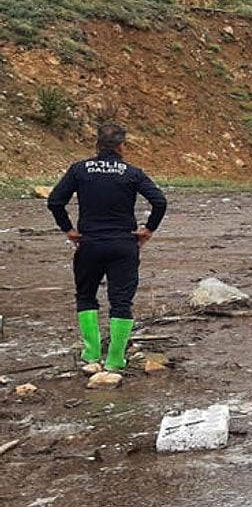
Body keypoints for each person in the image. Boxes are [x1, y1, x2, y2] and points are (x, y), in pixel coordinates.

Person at [47, 123, 168, 371]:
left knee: (85, 296)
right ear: (122, 146)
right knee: (121, 301)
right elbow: (159, 201)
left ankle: (91, 355)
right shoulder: (132, 172)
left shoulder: (80, 170)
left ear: (97, 145)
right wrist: (148, 230)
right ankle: (115, 359)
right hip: (124, 245)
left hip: (89, 243)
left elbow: (55, 201)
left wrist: (69, 230)